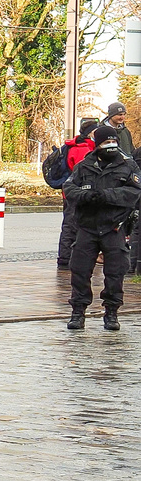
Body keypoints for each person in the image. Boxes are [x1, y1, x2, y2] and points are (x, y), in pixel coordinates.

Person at [63, 125, 141, 331]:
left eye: (113, 141)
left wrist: (108, 196)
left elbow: (134, 192)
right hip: (87, 226)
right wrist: (85, 196)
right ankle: (78, 312)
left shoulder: (128, 166)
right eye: (106, 142)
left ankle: (112, 313)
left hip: (114, 227)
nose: (111, 145)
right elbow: (69, 188)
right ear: (97, 145)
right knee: (79, 270)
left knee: (115, 272)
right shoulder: (84, 166)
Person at [54, 120, 99, 269]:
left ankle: (69, 257)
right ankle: (66, 258)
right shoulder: (82, 149)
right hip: (76, 194)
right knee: (71, 225)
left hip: (72, 193)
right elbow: (83, 173)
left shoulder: (80, 146)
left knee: (71, 224)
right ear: (90, 133)